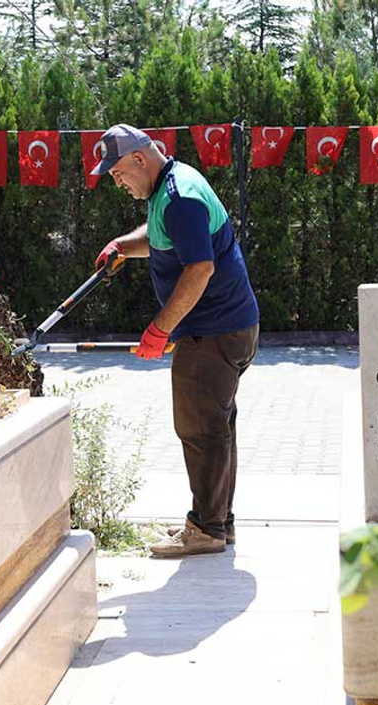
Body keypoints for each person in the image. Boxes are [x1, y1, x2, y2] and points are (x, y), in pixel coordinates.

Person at [91, 124, 259, 558]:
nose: (117, 181)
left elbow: (198, 268)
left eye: (118, 172)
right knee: (215, 427)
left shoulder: (180, 198)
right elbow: (162, 237)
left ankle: (206, 529)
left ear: (140, 159)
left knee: (201, 429)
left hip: (213, 332)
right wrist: (121, 247)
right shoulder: (171, 187)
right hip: (225, 328)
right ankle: (217, 520)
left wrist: (159, 329)